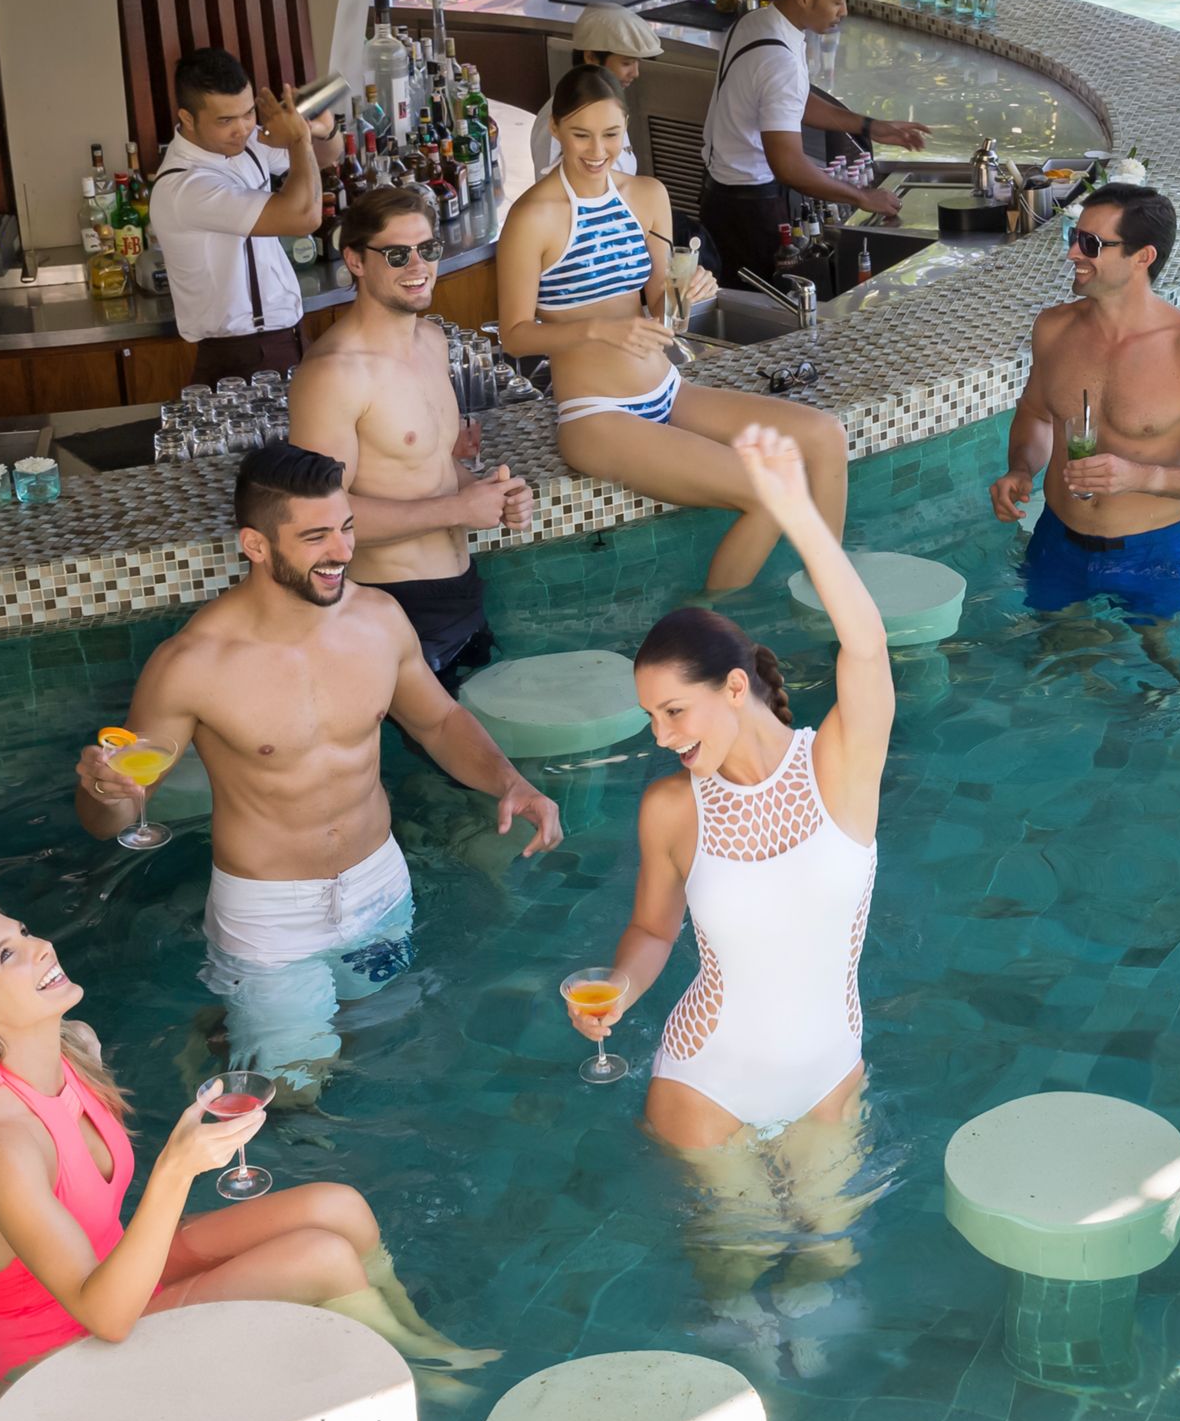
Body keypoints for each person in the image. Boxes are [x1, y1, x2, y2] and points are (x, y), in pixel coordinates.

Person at [74, 444, 561, 1085]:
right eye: (315, 537)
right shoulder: (193, 663)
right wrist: (104, 789)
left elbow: (438, 721)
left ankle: (239, 1028)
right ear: (255, 544)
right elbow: (113, 818)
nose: (341, 551)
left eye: (346, 527)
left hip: (379, 885)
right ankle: (226, 1036)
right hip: (271, 917)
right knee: (293, 1085)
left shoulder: (379, 619)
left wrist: (510, 781)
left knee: (382, 1031)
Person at [0, 895, 491, 1390]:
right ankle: (414, 1378)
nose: (41, 945)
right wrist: (176, 1170)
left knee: (338, 1207)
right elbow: (104, 1316)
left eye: (23, 930)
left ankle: (417, 1339)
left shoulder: (73, 1048)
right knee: (318, 1258)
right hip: (62, 1342)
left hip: (113, 1270)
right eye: (8, 954)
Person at [569, 428, 889, 1349]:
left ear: (736, 687)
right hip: (705, 1079)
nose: (662, 736)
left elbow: (865, 647)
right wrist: (619, 990)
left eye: (674, 710)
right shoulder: (672, 808)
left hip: (826, 1074)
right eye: (650, 717)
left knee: (829, 1256)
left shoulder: (838, 769)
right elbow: (652, 932)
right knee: (736, 1269)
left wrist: (795, 513)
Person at [498, 67, 851, 595]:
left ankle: (832, 602)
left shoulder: (647, 195)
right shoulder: (531, 218)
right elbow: (515, 335)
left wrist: (690, 292)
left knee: (826, 436)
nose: (597, 150)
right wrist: (597, 331)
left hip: (668, 390)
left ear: (625, 127)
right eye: (581, 135)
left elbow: (666, 311)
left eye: (611, 134)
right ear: (555, 128)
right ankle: (710, 631)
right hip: (597, 415)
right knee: (768, 493)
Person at [288, 185, 532, 688]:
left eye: (428, 249)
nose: (418, 265)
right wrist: (458, 510)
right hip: (394, 607)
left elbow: (430, 466)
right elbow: (319, 520)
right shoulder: (334, 374)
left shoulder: (432, 341)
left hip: (463, 592)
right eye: (397, 254)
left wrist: (487, 493)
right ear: (355, 260)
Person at [989, 182, 1180, 627]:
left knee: (1160, 663)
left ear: (1142, 257)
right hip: (1057, 538)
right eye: (1074, 236)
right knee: (1056, 652)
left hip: (1155, 551)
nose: (1072, 253)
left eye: (1091, 244)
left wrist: (1141, 477)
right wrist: (1020, 468)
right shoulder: (1053, 328)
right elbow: (1036, 414)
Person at [697, 0, 929, 294]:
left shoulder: (757, 22)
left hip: (718, 197)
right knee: (767, 312)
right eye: (837, 1)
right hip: (750, 212)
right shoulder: (779, 60)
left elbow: (794, 102)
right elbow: (789, 166)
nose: (844, 11)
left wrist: (870, 126)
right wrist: (861, 196)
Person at [150, 46, 344, 385]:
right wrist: (298, 139)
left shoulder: (243, 143)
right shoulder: (185, 187)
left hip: (289, 335)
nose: (242, 129)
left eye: (248, 113)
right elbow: (304, 217)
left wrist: (321, 128)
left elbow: (325, 158)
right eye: (225, 120)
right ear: (187, 118)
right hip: (240, 355)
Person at [529, 3, 658, 182]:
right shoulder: (561, 116)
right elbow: (554, 189)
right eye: (626, 63)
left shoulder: (609, 105)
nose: (635, 73)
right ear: (590, 57)